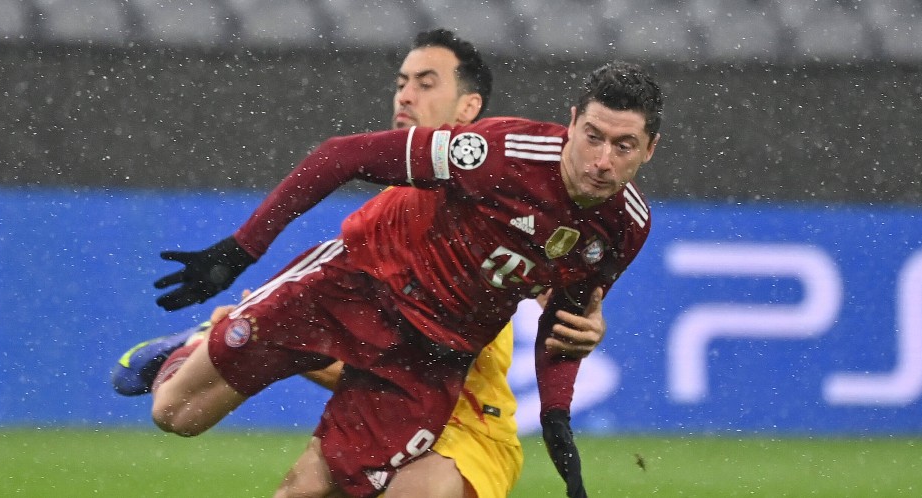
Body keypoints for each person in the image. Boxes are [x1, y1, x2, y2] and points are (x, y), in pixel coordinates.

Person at [112, 29, 608, 498]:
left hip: (468, 424)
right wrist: (248, 261)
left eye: (426, 83)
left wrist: (588, 323)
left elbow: (565, 290)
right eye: (401, 83)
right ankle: (204, 340)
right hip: (395, 380)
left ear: (469, 107)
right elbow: (364, 330)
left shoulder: (502, 197)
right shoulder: (392, 210)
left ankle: (218, 333)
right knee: (175, 414)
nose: (405, 96)